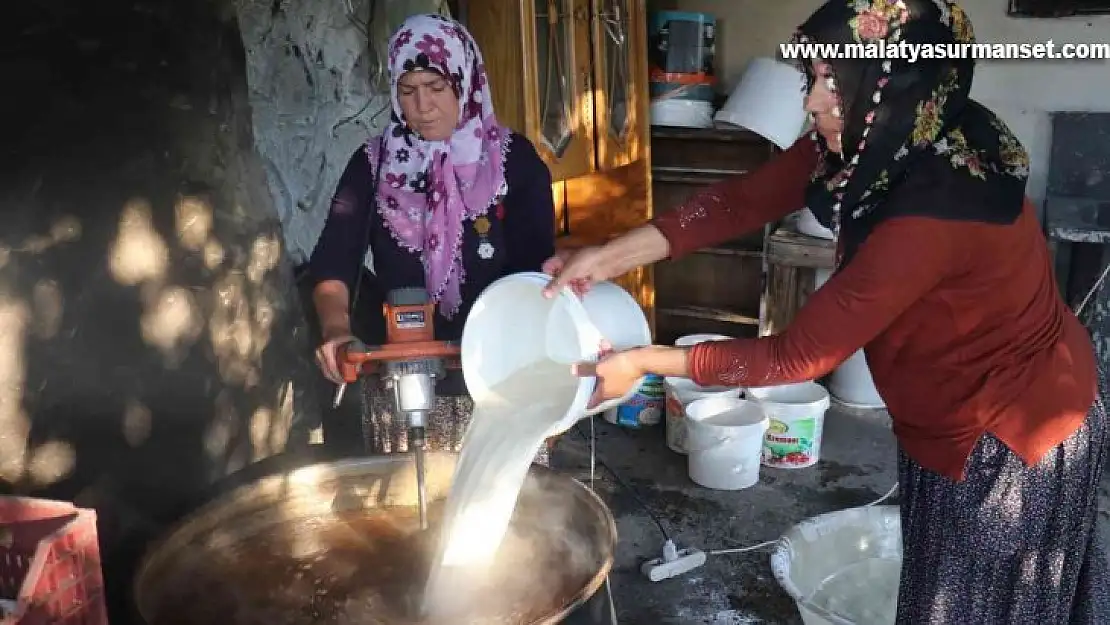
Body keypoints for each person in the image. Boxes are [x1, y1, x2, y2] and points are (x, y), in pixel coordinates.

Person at [544, 1, 1108, 622]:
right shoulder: (896, 131)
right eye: (813, 79)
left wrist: (644, 361)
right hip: (957, 405)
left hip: (1006, 433)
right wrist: (606, 256)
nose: (812, 103)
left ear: (893, 82)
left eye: (829, 84)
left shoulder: (930, 212)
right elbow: (740, 202)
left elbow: (797, 355)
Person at [308, 13, 556, 463]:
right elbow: (334, 260)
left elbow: (536, 275)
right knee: (402, 502)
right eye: (407, 91)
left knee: (513, 507)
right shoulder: (373, 165)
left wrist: (538, 373)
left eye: (437, 88)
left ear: (465, 83)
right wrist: (336, 327)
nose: (422, 106)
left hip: (502, 371)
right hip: (402, 378)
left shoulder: (513, 163)